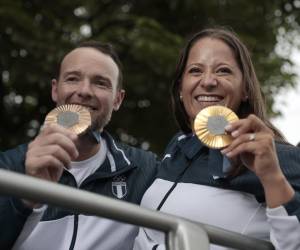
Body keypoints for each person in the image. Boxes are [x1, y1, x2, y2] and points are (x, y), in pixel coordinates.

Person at [134, 28, 300, 250]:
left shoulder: (281, 158)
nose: (208, 81)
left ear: (245, 90)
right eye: (195, 70)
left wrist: (271, 176)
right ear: (181, 90)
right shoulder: (178, 146)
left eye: (223, 71)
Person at [0, 41, 158, 250]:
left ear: (118, 99)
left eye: (100, 83)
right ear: (55, 90)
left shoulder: (145, 170)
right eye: (73, 79)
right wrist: (28, 199)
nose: (84, 91)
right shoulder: (8, 165)